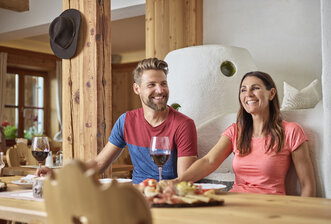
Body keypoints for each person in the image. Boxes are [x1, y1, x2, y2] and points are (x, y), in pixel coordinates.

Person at [37, 58, 198, 184]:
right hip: (135, 197)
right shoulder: (126, 121)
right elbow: (99, 164)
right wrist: (57, 173)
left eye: (163, 84)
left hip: (168, 197)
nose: (160, 90)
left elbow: (185, 180)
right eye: (152, 85)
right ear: (137, 89)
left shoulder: (183, 125)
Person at [176, 71, 316, 196]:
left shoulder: (291, 131)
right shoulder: (235, 131)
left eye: (255, 88)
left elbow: (307, 185)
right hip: (236, 204)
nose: (248, 94)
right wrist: (177, 181)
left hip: (271, 207)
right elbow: (209, 161)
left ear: (271, 93)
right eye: (243, 90)